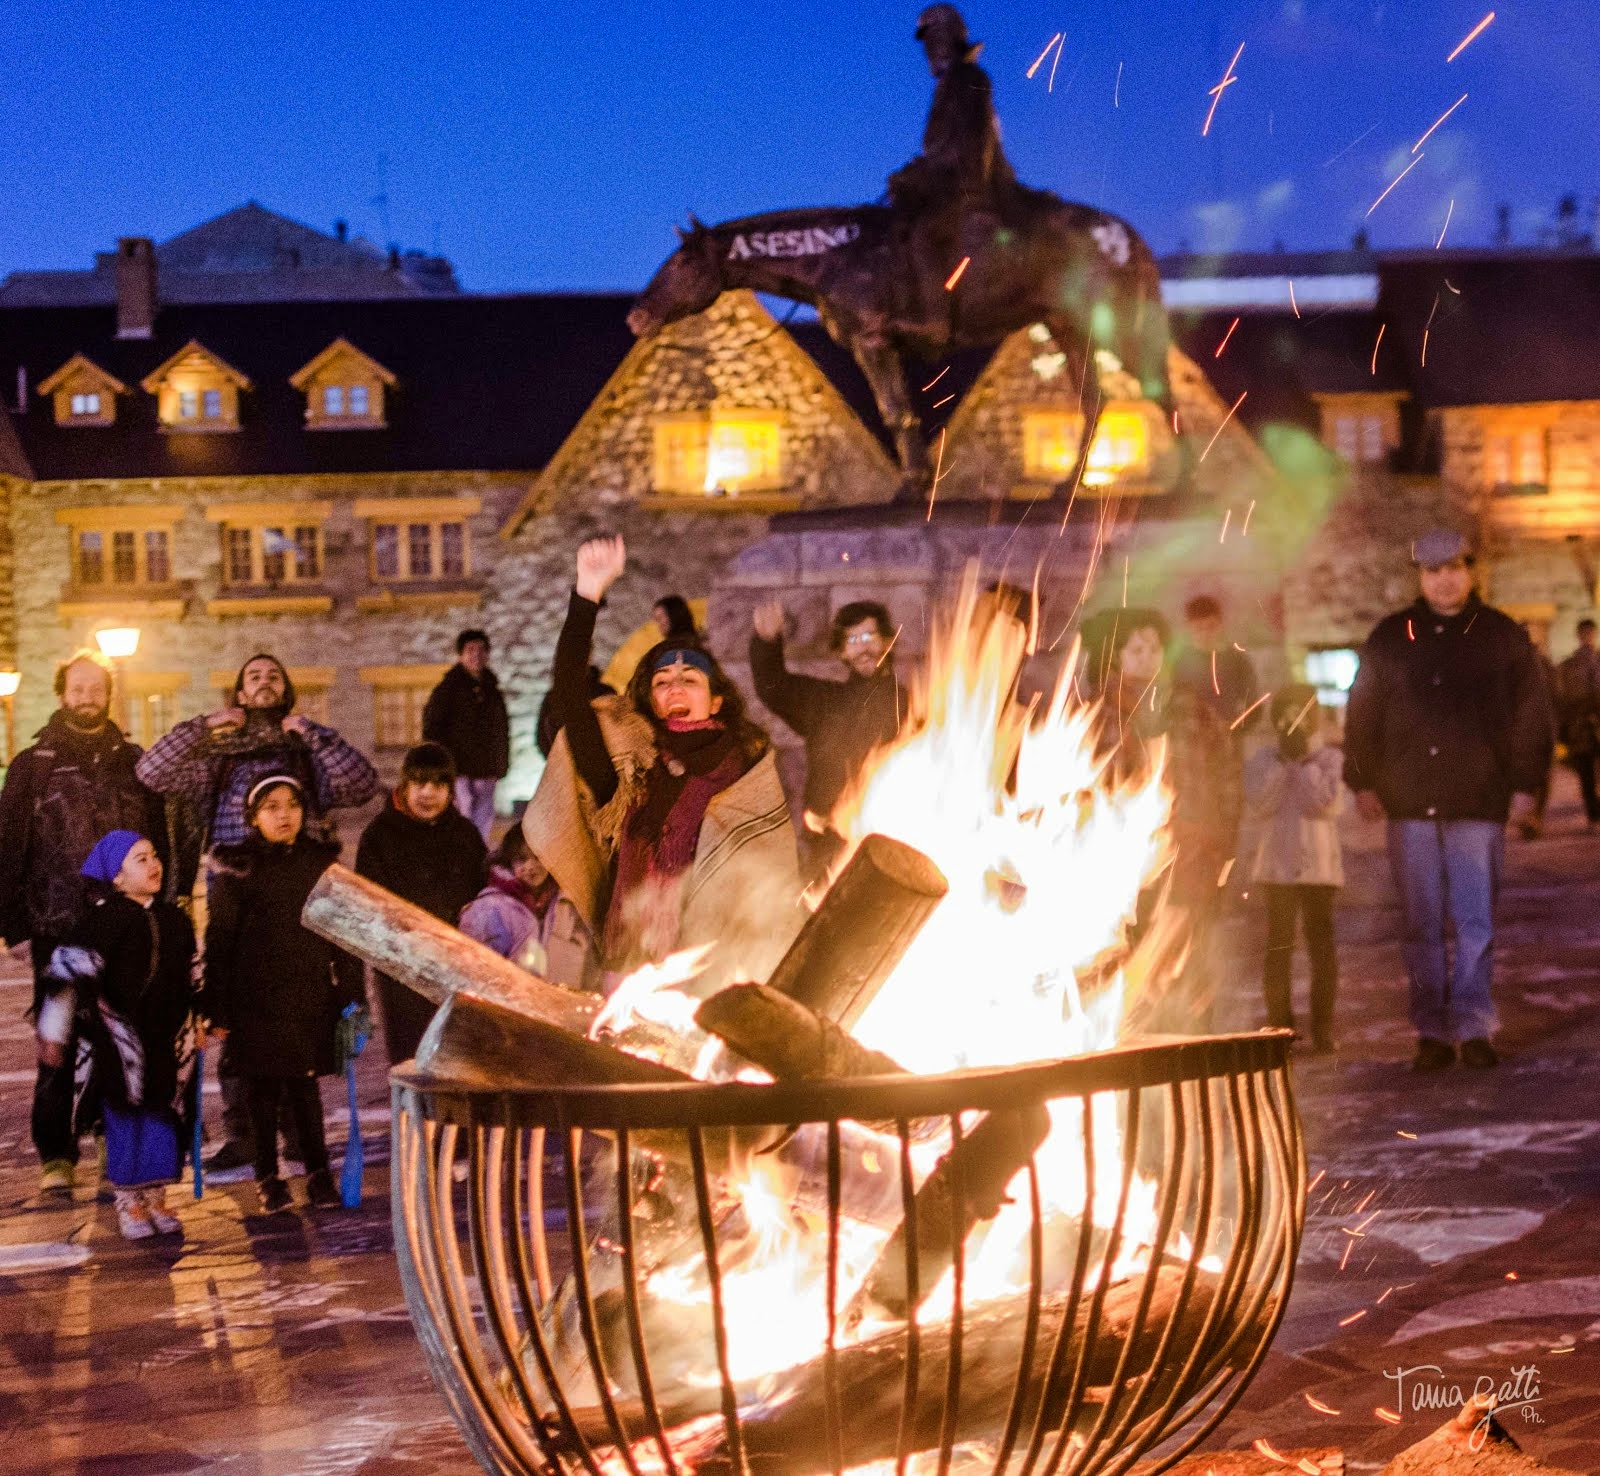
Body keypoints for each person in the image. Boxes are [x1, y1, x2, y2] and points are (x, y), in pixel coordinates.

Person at [523, 535, 800, 996]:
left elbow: (770, 876)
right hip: (627, 973)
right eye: (662, 681)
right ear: (649, 700)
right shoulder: (629, 769)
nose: (675, 688)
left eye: (689, 679)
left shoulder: (747, 774)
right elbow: (570, 695)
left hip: (713, 975)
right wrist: (587, 593)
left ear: (714, 700)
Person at [136, 652, 377, 1174]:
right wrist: (202, 728)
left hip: (298, 887)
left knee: (299, 1012)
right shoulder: (218, 755)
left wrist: (315, 734)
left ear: (286, 689)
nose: (264, 683)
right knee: (237, 1014)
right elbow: (151, 772)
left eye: (273, 676)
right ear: (239, 694)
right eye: (253, 677)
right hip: (234, 891)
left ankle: (297, 1136)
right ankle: (245, 1133)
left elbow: (360, 785)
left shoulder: (304, 750)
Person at [1343, 529, 1554, 1071]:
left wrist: (1527, 786)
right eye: (1434, 571)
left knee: (1475, 920)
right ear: (1421, 577)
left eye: (1455, 568)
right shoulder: (1392, 637)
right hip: (1410, 803)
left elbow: (1531, 717)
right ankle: (1433, 1032)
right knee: (1420, 924)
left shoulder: (1503, 636)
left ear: (1471, 571)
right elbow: (1362, 711)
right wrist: (1362, 780)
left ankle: (1475, 1024)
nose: (1445, 580)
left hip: (1477, 802)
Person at [0, 649, 166, 1195]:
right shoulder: (33, 765)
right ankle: (56, 1151)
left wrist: (160, 909)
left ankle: (106, 1133)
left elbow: (158, 839)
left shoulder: (135, 763)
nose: (87, 695)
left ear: (109, 693)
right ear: (62, 693)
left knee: (121, 1035)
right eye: (78, 687)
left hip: (124, 928)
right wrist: (15, 924)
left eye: (97, 686)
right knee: (58, 1038)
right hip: (58, 923)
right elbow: (6, 849)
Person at [203, 776, 363, 1212]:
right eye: (272, 807)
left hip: (308, 994)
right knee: (262, 1091)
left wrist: (352, 997)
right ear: (254, 817)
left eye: (292, 805)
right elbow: (220, 942)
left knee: (306, 1087)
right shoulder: (238, 867)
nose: (284, 814)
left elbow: (343, 937)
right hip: (253, 999)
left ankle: (317, 1173)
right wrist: (214, 1005)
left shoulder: (318, 863)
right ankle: (268, 1177)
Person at [1084, 608, 1241, 1034]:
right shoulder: (1098, 713)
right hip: (1126, 862)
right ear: (1115, 656)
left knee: (1192, 953)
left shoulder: (1190, 706)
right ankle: (1136, 1047)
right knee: (1133, 957)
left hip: (1191, 850)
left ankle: (1196, 1048)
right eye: (1136, 648)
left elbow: (1226, 769)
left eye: (1154, 647)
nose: (1147, 656)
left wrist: (1222, 833)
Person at [36, 830, 199, 1239]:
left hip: (166, 1038)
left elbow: (195, 971)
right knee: (126, 1117)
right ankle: (129, 1201)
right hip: (117, 1038)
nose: (153, 864)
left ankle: (157, 1195)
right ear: (116, 877)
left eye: (155, 855)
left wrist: (206, 1016)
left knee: (164, 1114)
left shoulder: (174, 918)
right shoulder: (102, 921)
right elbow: (65, 973)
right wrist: (54, 1030)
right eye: (140, 859)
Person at [887, 4, 1018, 336]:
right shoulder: (953, 81)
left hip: (971, 189)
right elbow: (944, 148)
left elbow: (971, 142)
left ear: (953, 38)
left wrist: (970, 197)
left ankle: (936, 317)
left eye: (936, 40)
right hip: (959, 184)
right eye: (927, 43)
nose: (930, 49)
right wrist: (914, 172)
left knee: (922, 234)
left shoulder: (968, 79)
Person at [749, 598, 906, 870]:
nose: (863, 647)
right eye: (853, 639)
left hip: (895, 844)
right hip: (828, 847)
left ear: (887, 641)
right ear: (842, 652)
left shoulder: (916, 705)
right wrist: (766, 642)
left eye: (869, 635)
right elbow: (773, 687)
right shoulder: (823, 702)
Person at [356, 742, 487, 1064]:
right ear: (405, 785)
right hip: (402, 967)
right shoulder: (380, 835)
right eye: (420, 783)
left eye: (439, 784)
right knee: (410, 1057)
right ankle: (410, 1114)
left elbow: (482, 894)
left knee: (455, 1055)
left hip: (455, 963)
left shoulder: (465, 835)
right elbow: (367, 900)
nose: (428, 793)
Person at [1244, 686, 1345, 1053]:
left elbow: (1327, 805)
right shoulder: (1263, 759)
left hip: (1319, 867)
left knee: (1321, 948)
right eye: (1286, 716)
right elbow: (1259, 804)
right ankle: (1280, 1024)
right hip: (1278, 868)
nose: (1293, 724)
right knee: (1279, 946)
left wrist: (1302, 766)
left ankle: (1323, 1028)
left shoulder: (1329, 759)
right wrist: (1283, 765)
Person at [422, 629, 510, 843]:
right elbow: (432, 727)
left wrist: (501, 763)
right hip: (458, 768)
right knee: (463, 812)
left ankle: (478, 852)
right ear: (460, 655)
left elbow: (501, 729)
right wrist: (443, 763)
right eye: (470, 650)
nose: (476, 655)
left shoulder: (492, 690)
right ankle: (459, 851)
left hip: (486, 769)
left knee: (484, 815)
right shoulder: (447, 689)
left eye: (481, 650)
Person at [460, 826, 559, 973]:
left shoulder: (549, 904)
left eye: (538, 857)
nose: (530, 866)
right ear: (509, 861)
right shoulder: (491, 908)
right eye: (521, 859)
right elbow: (475, 969)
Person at [1171, 594, 1262, 733]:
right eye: (1199, 628)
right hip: (1189, 743)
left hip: (1228, 742)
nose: (1205, 633)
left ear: (1220, 624)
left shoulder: (1237, 661)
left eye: (1210, 626)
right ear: (1189, 628)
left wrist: (1234, 731)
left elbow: (1254, 706)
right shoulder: (1179, 663)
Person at [1557, 618, 1600, 830]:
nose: (1588, 637)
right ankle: (1594, 816)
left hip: (1593, 722)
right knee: (1585, 774)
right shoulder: (1570, 664)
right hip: (1581, 726)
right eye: (1585, 633)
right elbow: (1565, 698)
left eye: (1590, 633)